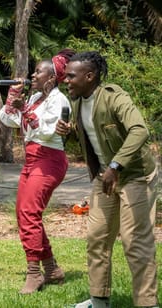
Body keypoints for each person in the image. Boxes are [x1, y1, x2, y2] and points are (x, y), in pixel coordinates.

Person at [56, 51, 158, 308]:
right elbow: (94, 132)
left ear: (89, 76)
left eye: (71, 76)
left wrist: (115, 164)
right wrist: (70, 131)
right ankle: (99, 300)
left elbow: (139, 130)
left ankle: (147, 303)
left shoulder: (115, 97)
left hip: (135, 176)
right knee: (97, 238)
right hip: (105, 177)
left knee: (136, 243)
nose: (65, 80)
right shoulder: (78, 101)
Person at [0, 49, 74, 294]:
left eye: (38, 71)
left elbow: (46, 131)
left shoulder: (59, 100)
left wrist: (26, 111)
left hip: (50, 159)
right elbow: (7, 120)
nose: (33, 74)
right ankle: (51, 268)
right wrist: (14, 97)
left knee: (30, 212)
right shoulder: (33, 99)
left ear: (51, 78)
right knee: (24, 213)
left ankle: (34, 273)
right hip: (31, 159)